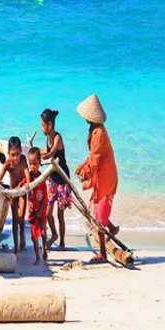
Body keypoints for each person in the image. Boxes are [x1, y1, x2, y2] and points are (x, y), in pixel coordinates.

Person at [75, 94, 120, 264]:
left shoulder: (98, 133)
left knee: (97, 216)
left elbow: (94, 160)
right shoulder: (96, 130)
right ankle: (113, 228)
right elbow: (93, 157)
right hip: (104, 176)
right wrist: (83, 166)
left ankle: (102, 253)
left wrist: (85, 171)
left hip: (106, 178)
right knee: (96, 210)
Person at [40, 109, 72, 250]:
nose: (42, 128)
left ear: (50, 125)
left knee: (60, 214)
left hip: (63, 179)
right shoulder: (47, 138)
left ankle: (62, 243)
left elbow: (51, 153)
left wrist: (41, 156)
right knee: (48, 214)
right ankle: (54, 234)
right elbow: (46, 153)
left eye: (43, 125)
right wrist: (34, 151)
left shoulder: (58, 138)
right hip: (52, 178)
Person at [0, 136, 30, 254]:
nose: (15, 158)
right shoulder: (7, 164)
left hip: (22, 190)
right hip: (13, 192)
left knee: (21, 217)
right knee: (15, 220)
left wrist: (28, 183)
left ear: (21, 151)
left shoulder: (23, 159)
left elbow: (26, 173)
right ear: (8, 153)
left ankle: (22, 234)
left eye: (17, 154)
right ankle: (16, 248)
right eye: (12, 154)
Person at [26, 147, 48, 265]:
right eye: (30, 164)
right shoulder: (28, 176)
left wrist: (40, 209)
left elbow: (45, 197)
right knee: (34, 235)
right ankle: (37, 257)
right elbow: (24, 184)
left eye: (35, 164)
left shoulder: (42, 178)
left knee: (43, 232)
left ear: (40, 163)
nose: (32, 167)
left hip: (41, 209)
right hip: (32, 211)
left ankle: (44, 247)